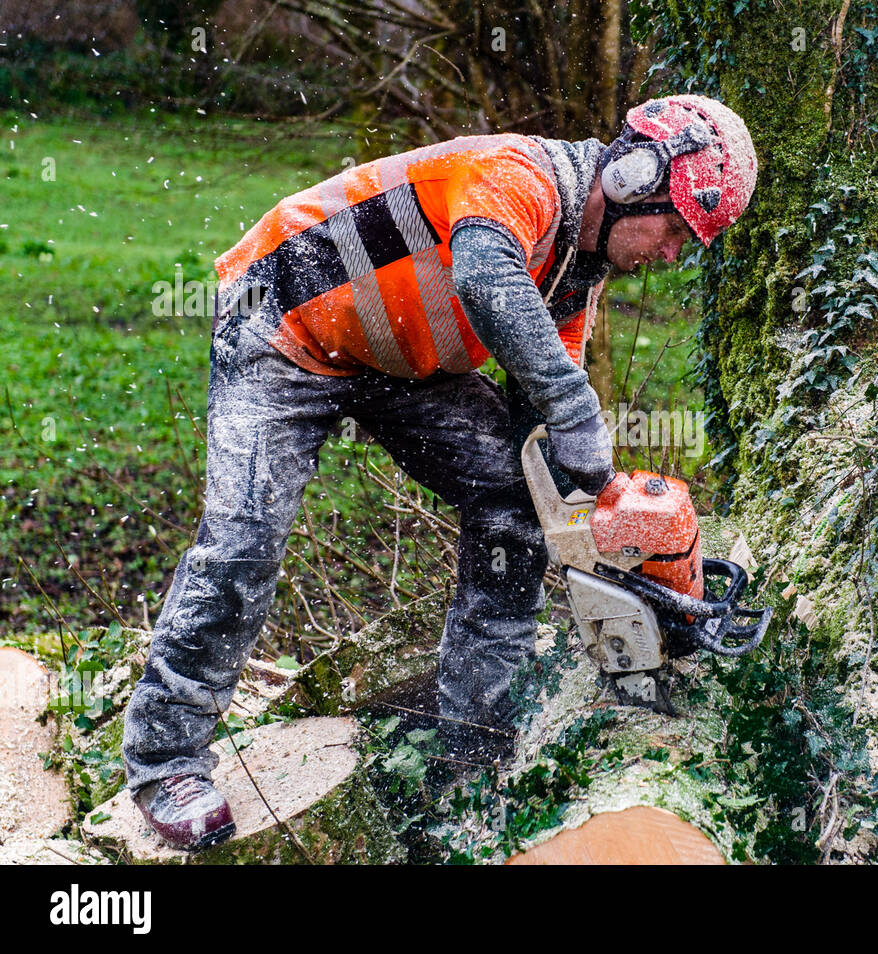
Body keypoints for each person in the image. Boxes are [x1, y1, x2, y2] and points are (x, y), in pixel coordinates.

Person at [121, 94, 758, 851]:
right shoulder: (517, 176)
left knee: (514, 501)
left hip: (399, 361)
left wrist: (604, 539)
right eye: (678, 230)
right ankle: (167, 760)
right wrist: (575, 408)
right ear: (633, 178)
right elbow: (487, 278)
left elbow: (540, 422)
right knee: (245, 540)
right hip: (282, 323)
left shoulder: (573, 278)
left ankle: (476, 742)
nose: (672, 255)